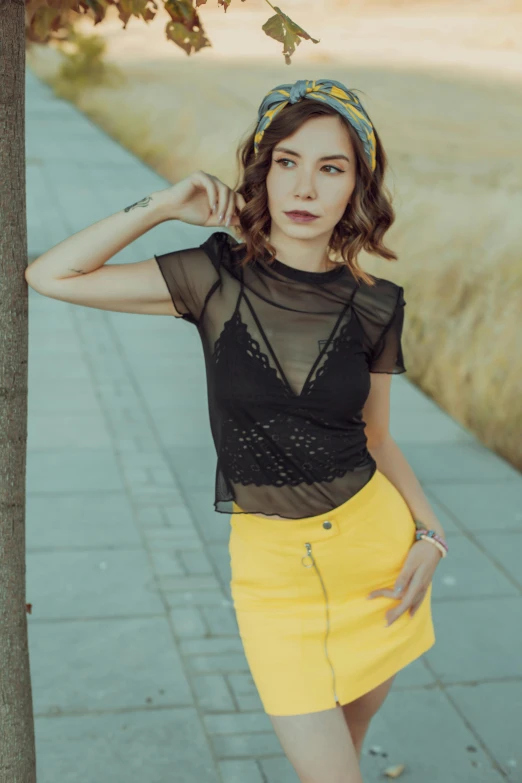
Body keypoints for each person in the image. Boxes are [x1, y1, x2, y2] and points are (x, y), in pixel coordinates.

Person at [26, 78, 448, 783]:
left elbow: (376, 435)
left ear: (356, 190)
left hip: (376, 559)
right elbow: (53, 275)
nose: (304, 186)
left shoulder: (376, 304)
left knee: (351, 738)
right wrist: (163, 207)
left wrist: (430, 535)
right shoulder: (214, 277)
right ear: (262, 171)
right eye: (287, 161)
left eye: (330, 167)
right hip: (272, 573)